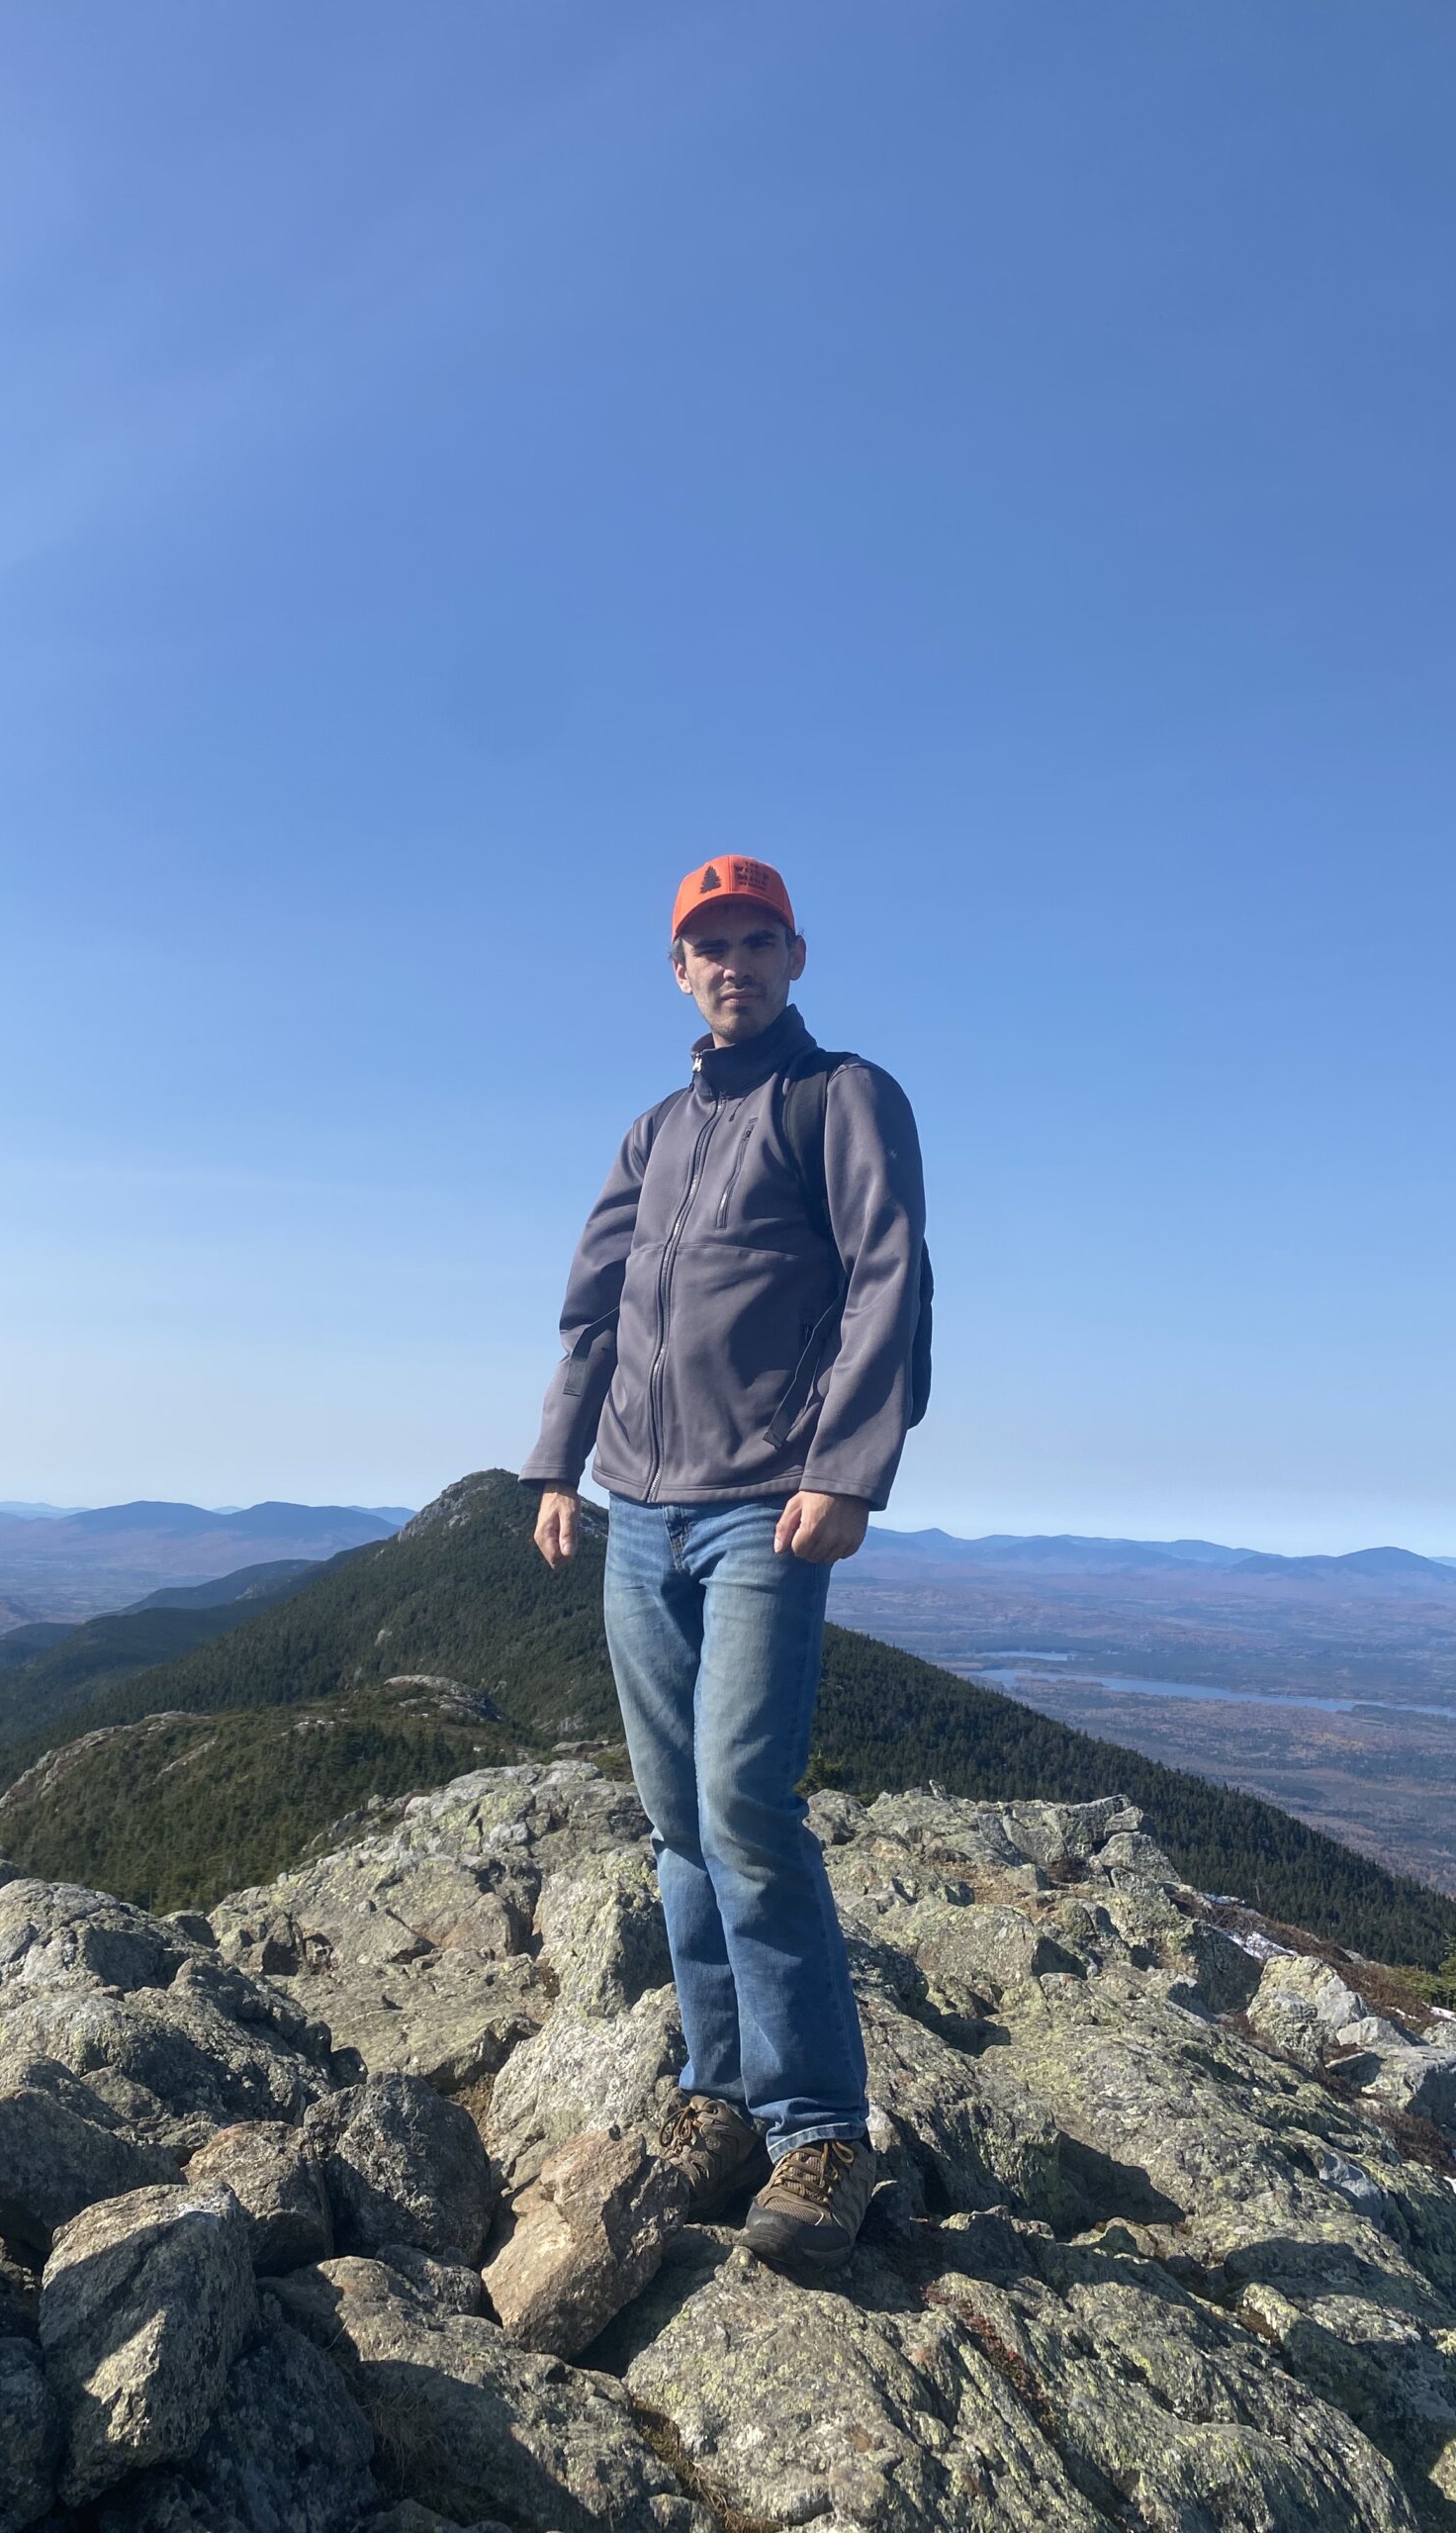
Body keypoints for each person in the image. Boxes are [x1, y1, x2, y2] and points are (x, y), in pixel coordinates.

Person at [521, 855, 928, 2269]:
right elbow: (593, 1311)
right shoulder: (652, 1132)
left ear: (796, 958)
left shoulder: (843, 1097)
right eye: (710, 946)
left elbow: (892, 1274)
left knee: (747, 1806)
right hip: (637, 1504)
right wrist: (557, 1466)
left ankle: (822, 2133)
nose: (733, 962)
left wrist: (848, 1467)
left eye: (757, 940)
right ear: (680, 972)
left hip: (766, 1501)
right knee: (674, 1818)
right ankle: (719, 2094)